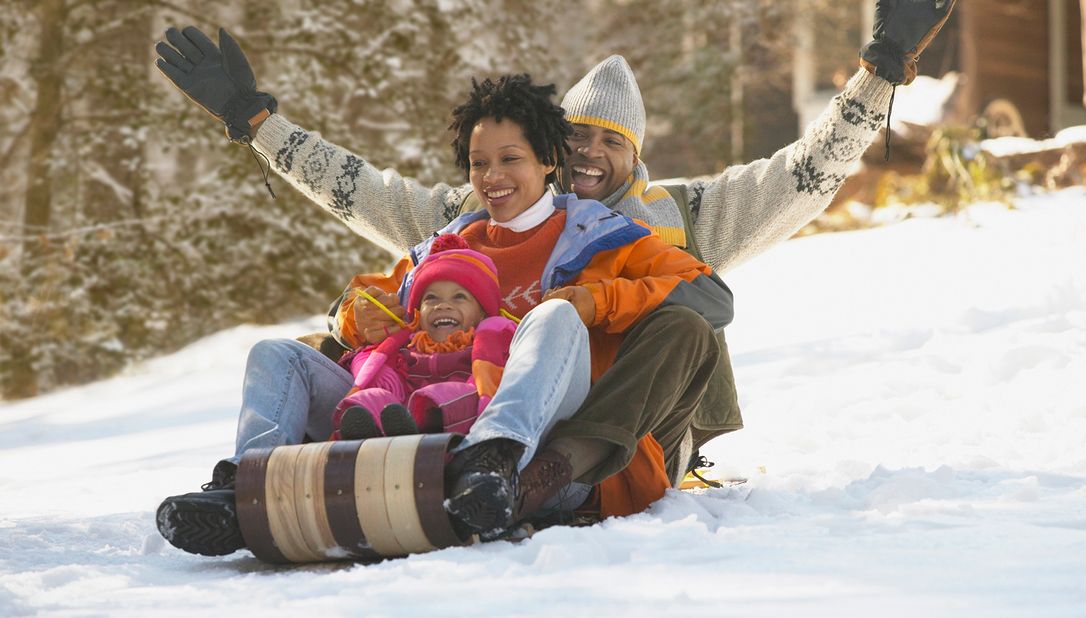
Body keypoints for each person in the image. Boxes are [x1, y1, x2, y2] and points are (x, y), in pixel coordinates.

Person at [152, 1, 956, 476]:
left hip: (623, 427)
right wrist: (257, 123)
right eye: (574, 140)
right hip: (478, 403)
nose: (588, 154)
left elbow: (805, 171)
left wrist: (881, 70)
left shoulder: (683, 217)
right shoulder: (480, 207)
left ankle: (543, 472)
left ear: (635, 153)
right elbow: (357, 187)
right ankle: (271, 479)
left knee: (667, 321)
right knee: (323, 344)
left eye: (610, 141)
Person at [153, 71, 732, 555]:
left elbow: (709, 295)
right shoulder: (446, 242)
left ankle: (493, 459)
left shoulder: (606, 237)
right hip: (418, 421)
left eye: (511, 159)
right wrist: (361, 318)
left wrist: (595, 301)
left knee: (552, 319)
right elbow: (361, 292)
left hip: (537, 443)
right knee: (276, 353)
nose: (493, 177)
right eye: (480, 163)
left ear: (550, 161)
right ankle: (244, 486)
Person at [330, 234, 517, 440]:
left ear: (482, 313)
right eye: (431, 298)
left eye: (459, 297)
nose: (443, 305)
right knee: (371, 399)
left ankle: (427, 425)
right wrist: (384, 376)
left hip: (455, 421)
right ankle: (363, 431)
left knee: (454, 396)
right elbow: (367, 358)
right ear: (418, 312)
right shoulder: (408, 345)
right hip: (400, 416)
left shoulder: (486, 343)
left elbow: (495, 376)